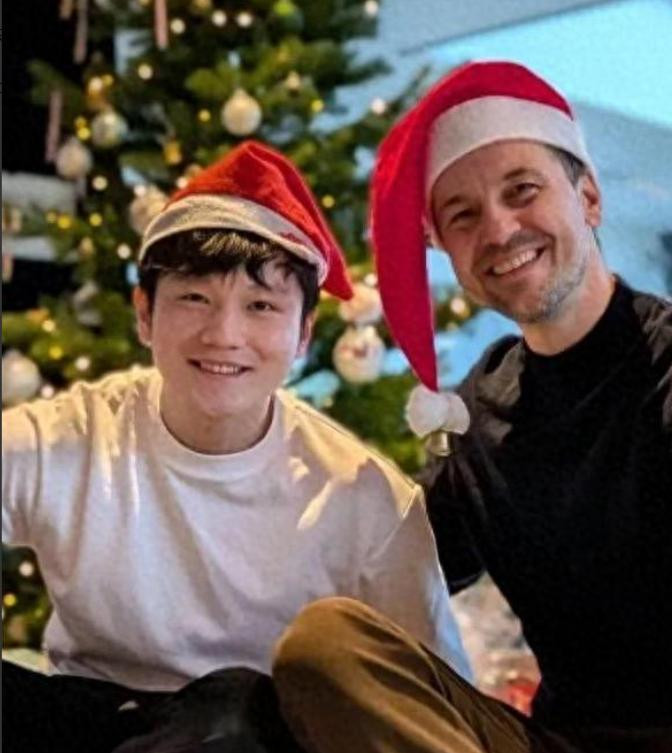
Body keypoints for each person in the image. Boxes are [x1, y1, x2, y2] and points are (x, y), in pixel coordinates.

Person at [2, 141, 471, 753]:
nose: (224, 335)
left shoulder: (363, 497)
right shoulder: (70, 436)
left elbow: (436, 701)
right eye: (194, 298)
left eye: (261, 306)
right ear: (145, 314)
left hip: (251, 733)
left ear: (303, 334)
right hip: (91, 716)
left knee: (237, 713)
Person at [271, 62, 672, 753]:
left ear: (589, 198)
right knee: (326, 643)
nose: (500, 229)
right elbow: (383, 565)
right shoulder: (478, 415)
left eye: (523, 191)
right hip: (554, 741)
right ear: (443, 247)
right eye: (463, 215)